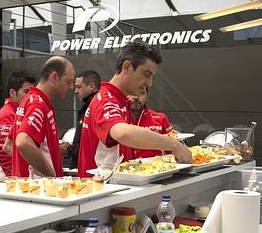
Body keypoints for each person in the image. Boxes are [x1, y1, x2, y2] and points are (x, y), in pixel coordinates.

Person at [78, 41, 191, 177]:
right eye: (146, 74)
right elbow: (122, 133)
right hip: (100, 188)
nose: (149, 83)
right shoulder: (106, 98)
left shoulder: (121, 100)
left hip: (112, 187)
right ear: (127, 67)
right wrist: (174, 145)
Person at [10, 56, 75, 178]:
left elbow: (9, 144)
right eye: (68, 81)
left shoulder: (29, 100)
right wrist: (50, 174)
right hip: (39, 190)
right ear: (54, 77)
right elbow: (22, 142)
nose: (71, 87)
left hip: (30, 188)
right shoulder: (38, 104)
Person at [0, 71, 37, 182]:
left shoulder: (18, 112)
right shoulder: (8, 115)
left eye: (32, 92)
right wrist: (17, 181)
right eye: (26, 92)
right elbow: (5, 153)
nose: (30, 97)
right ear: (12, 92)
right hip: (5, 181)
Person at [60, 70, 101, 169]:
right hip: (83, 166)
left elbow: (92, 146)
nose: (75, 91)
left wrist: (69, 148)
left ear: (91, 86)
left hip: (90, 168)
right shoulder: (87, 106)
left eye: (79, 87)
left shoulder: (95, 107)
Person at [128, 86, 174, 158]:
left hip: (157, 167)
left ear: (147, 97)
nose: (136, 97)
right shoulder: (117, 119)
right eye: (132, 93)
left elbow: (172, 149)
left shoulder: (160, 118)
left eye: (141, 93)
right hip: (125, 167)